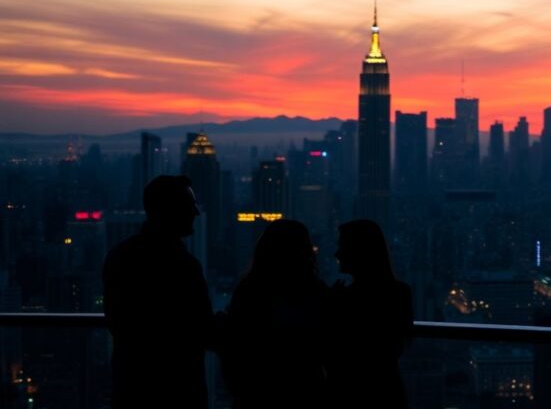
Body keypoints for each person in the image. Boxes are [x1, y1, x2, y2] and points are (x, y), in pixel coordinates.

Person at [102, 175, 214, 409]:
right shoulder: (184, 267)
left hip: (132, 388)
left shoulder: (120, 256)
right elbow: (202, 329)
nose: (195, 212)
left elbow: (116, 321)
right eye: (189, 205)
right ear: (169, 210)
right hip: (179, 391)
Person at [221, 219, 330, 408]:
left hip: (257, 393)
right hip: (305, 392)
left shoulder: (249, 291)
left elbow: (233, 344)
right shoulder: (315, 291)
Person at [327, 219, 413, 408]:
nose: (337, 254)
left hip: (348, 394)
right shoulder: (400, 293)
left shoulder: (344, 300)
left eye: (343, 246)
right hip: (388, 392)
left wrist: (331, 306)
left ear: (359, 252)